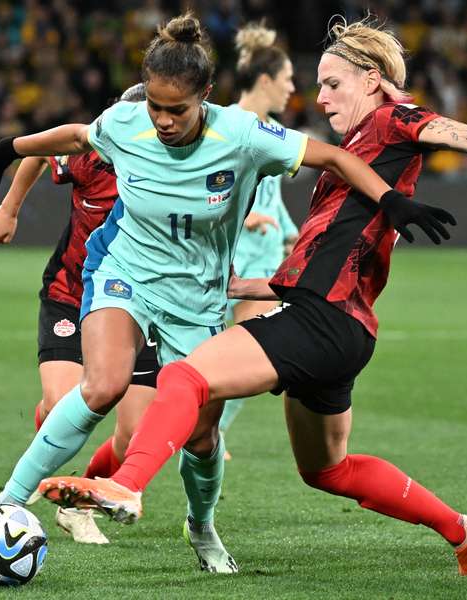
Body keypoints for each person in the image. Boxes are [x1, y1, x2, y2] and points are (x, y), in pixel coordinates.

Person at [38, 17, 467, 577]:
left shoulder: (395, 120)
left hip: (320, 322)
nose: (320, 98)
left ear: (371, 81)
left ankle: (127, 485)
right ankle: (463, 528)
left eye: (331, 83)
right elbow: (333, 252)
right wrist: (255, 286)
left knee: (185, 378)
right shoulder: (357, 147)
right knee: (328, 469)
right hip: (346, 328)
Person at [0, 14, 453, 575]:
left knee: (203, 437)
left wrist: (390, 200)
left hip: (197, 296)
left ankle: (202, 525)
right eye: (155, 108)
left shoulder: (242, 135)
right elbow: (74, 135)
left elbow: (333, 157)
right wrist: (7, 147)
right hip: (125, 272)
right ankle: (2, 505)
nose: (162, 121)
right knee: (104, 385)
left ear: (206, 97)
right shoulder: (126, 121)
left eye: (176, 110)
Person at [0, 84, 160, 550]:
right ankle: (56, 502)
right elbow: (42, 154)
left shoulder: (167, 168)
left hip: (139, 306)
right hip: (70, 292)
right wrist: (9, 207)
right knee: (67, 401)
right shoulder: (90, 157)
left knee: (134, 435)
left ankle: (76, 493)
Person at [218, 22, 299, 458]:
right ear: (265, 80)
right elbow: (210, 183)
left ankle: (214, 431)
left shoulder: (275, 132)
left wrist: (290, 234)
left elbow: (273, 196)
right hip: (227, 257)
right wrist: (238, 213)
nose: (292, 88)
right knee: (204, 353)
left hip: (264, 262)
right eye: (287, 78)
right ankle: (189, 424)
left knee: (252, 357)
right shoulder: (228, 124)